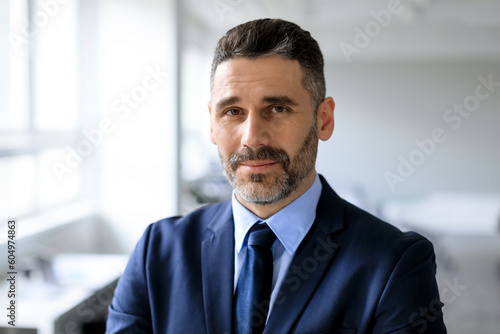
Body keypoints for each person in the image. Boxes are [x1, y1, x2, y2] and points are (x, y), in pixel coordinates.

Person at [106, 18, 446, 334]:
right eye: (233, 111)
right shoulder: (158, 252)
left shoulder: (393, 264)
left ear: (323, 120)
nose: (252, 137)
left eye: (278, 109)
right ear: (212, 124)